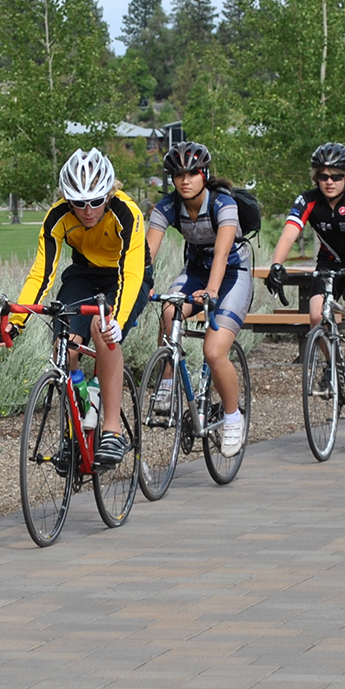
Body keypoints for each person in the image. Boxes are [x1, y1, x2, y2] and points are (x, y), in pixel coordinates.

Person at [0, 148, 150, 466]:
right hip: (85, 274)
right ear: (67, 199)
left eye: (96, 201)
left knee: (102, 331)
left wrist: (118, 319)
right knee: (66, 346)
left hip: (126, 274)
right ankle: (76, 429)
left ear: (110, 194)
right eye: (78, 202)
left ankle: (112, 431)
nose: (87, 211)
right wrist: (14, 323)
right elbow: (41, 273)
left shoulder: (127, 213)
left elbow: (132, 273)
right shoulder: (57, 217)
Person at [144, 141, 252, 457]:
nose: (185, 180)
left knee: (214, 350)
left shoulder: (223, 204)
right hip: (195, 271)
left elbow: (221, 253)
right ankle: (167, 382)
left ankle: (233, 417)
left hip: (232, 273)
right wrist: (143, 283)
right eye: (178, 175)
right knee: (169, 310)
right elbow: (147, 253)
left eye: (192, 173)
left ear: (204, 174)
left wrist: (213, 292)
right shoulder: (166, 207)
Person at [264, 142, 345, 406]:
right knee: (316, 314)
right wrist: (276, 264)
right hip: (329, 262)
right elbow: (290, 233)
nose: (329, 181)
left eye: (336, 176)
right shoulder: (308, 200)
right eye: (323, 176)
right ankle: (332, 367)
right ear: (316, 177)